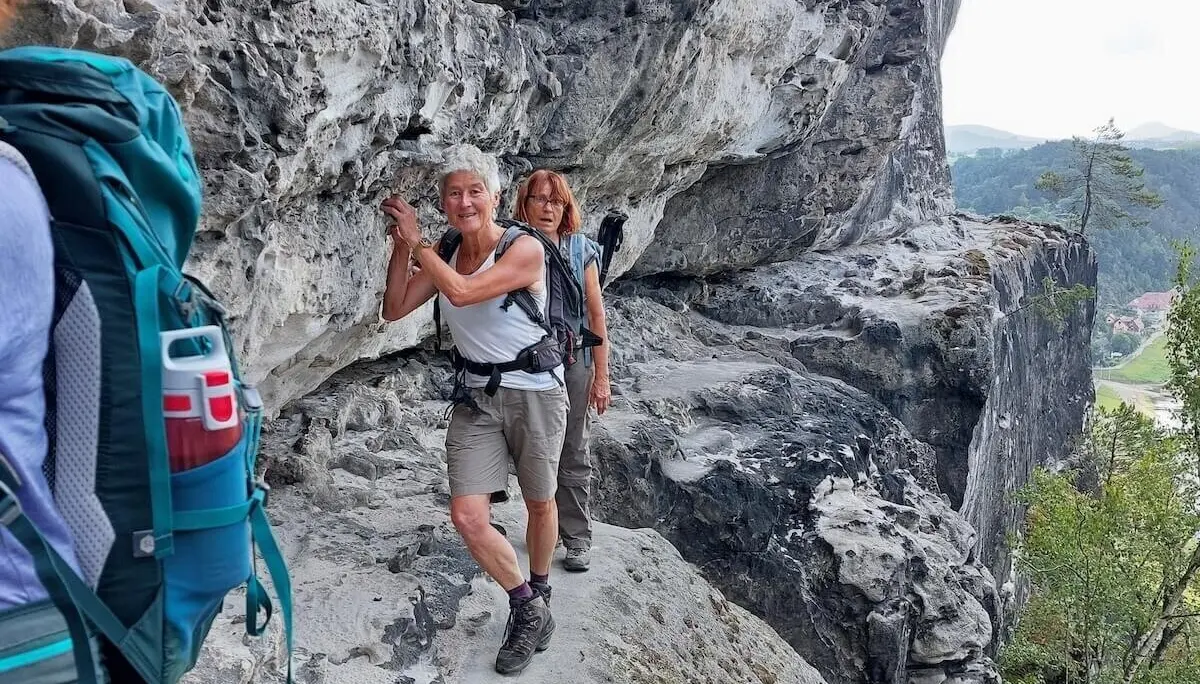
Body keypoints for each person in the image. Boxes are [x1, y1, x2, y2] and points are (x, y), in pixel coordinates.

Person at [380, 145, 565, 675]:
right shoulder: (445, 246)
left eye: (474, 191)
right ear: (443, 203)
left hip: (535, 390)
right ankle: (528, 605)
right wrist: (403, 247)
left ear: (495, 196)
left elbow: (460, 293)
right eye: (454, 193)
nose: (465, 202)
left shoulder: (524, 248)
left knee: (539, 503)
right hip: (476, 396)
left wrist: (420, 245)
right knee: (467, 516)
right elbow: (395, 309)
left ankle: (543, 587)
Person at [514, 170, 611, 572]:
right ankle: (543, 526)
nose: (547, 208)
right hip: (526, 362)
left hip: (572, 361)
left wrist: (601, 376)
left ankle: (576, 538)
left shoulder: (579, 249)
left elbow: (595, 310)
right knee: (529, 447)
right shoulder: (510, 245)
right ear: (524, 204)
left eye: (556, 201)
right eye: (539, 199)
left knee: (572, 447)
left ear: (566, 207)